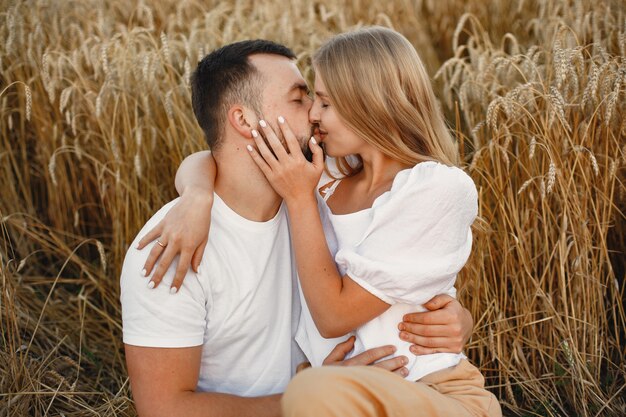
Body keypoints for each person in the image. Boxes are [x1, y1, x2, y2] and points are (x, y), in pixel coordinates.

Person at [120, 39, 472, 417]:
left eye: (322, 101)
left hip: (410, 393)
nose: (315, 114)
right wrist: (315, 396)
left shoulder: (314, 188)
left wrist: (460, 319)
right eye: (300, 98)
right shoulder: (173, 245)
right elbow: (162, 409)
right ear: (244, 120)